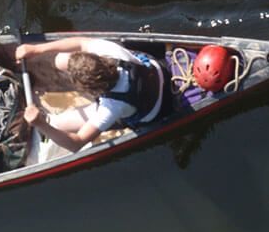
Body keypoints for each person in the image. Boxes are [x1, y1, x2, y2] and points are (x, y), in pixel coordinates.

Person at [15, 37, 168, 152]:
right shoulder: (110, 51)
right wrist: (37, 49)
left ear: (91, 90)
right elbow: (81, 42)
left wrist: (40, 123)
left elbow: (76, 143)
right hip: (153, 71)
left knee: (57, 124)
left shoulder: (111, 108)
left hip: (149, 108)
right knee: (61, 59)